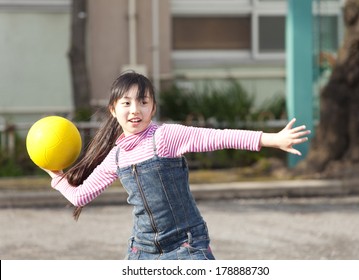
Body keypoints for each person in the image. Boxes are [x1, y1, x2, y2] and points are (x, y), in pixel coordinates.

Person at [44, 71, 310, 260]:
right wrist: (56, 176)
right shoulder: (116, 156)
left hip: (186, 245)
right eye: (126, 103)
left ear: (153, 108)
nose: (135, 110)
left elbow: (218, 137)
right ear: (113, 110)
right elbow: (81, 195)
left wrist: (273, 139)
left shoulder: (165, 137)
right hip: (142, 250)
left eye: (143, 102)